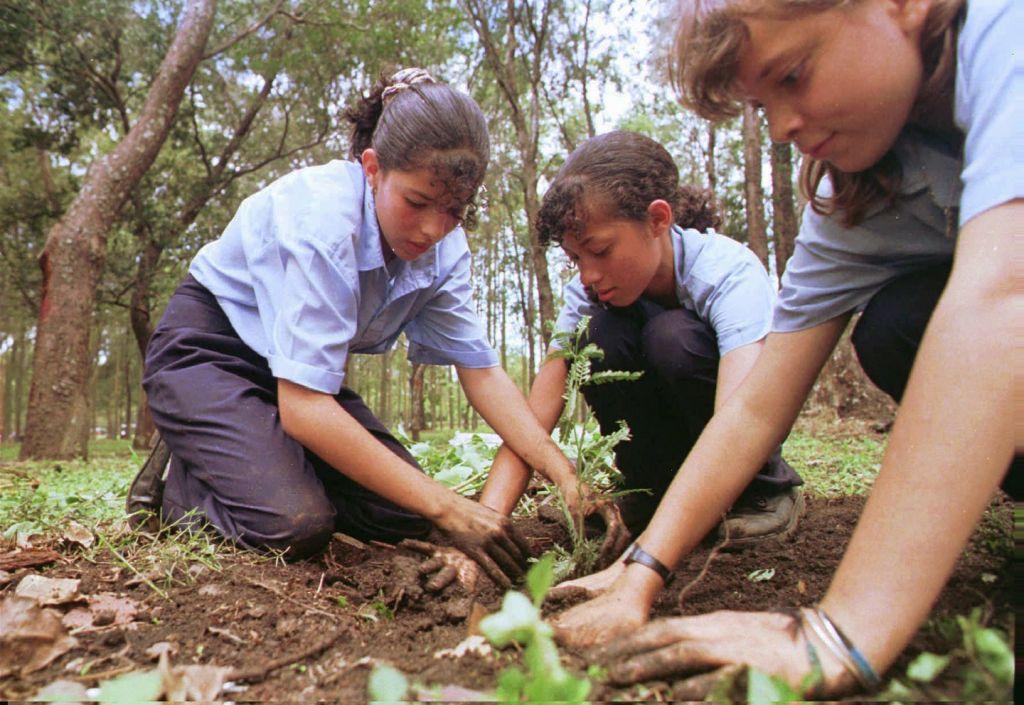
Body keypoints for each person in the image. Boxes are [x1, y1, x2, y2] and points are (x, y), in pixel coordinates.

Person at [551, 0, 1020, 695]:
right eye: (760, 105)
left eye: (793, 76)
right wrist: (641, 571)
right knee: (897, 325)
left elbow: (1001, 296)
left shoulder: (1005, 31)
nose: (781, 128)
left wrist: (841, 628)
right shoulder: (857, 190)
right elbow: (753, 407)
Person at [126, 68, 605, 589]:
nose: (432, 228)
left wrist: (567, 478)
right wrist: (449, 507)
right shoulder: (323, 220)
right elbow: (306, 410)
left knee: (405, 514)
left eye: (455, 211)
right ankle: (181, 485)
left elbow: (482, 373)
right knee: (293, 524)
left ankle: (256, 456)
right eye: (417, 203)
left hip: (286, 376)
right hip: (208, 353)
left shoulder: (445, 251)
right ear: (372, 168)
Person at [477, 130, 803, 587]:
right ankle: (650, 494)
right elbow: (533, 421)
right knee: (599, 334)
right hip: (665, 468)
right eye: (575, 258)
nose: (588, 274)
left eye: (601, 250)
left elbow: (744, 416)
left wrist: (647, 561)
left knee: (672, 336)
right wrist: (485, 526)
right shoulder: (584, 296)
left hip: (735, 457)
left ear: (657, 219)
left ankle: (764, 495)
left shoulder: (728, 273)